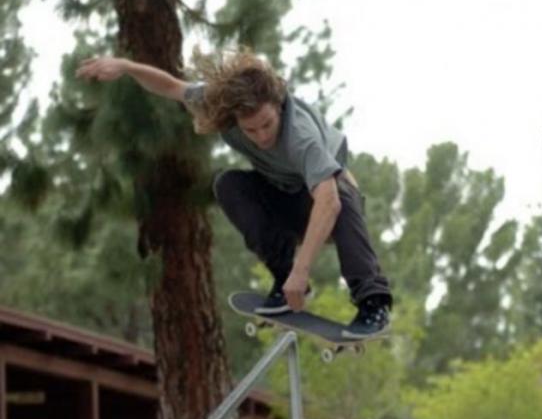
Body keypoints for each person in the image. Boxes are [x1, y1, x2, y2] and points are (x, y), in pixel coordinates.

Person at [76, 51, 392, 338]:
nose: (262, 136)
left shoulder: (300, 135)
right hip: (285, 199)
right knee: (228, 183)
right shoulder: (218, 103)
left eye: (267, 124)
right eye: (250, 130)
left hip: (329, 208)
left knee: (338, 188)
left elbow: (329, 202)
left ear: (278, 108)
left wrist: (302, 269)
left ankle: (372, 301)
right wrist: (128, 66)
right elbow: (172, 87)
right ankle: (282, 278)